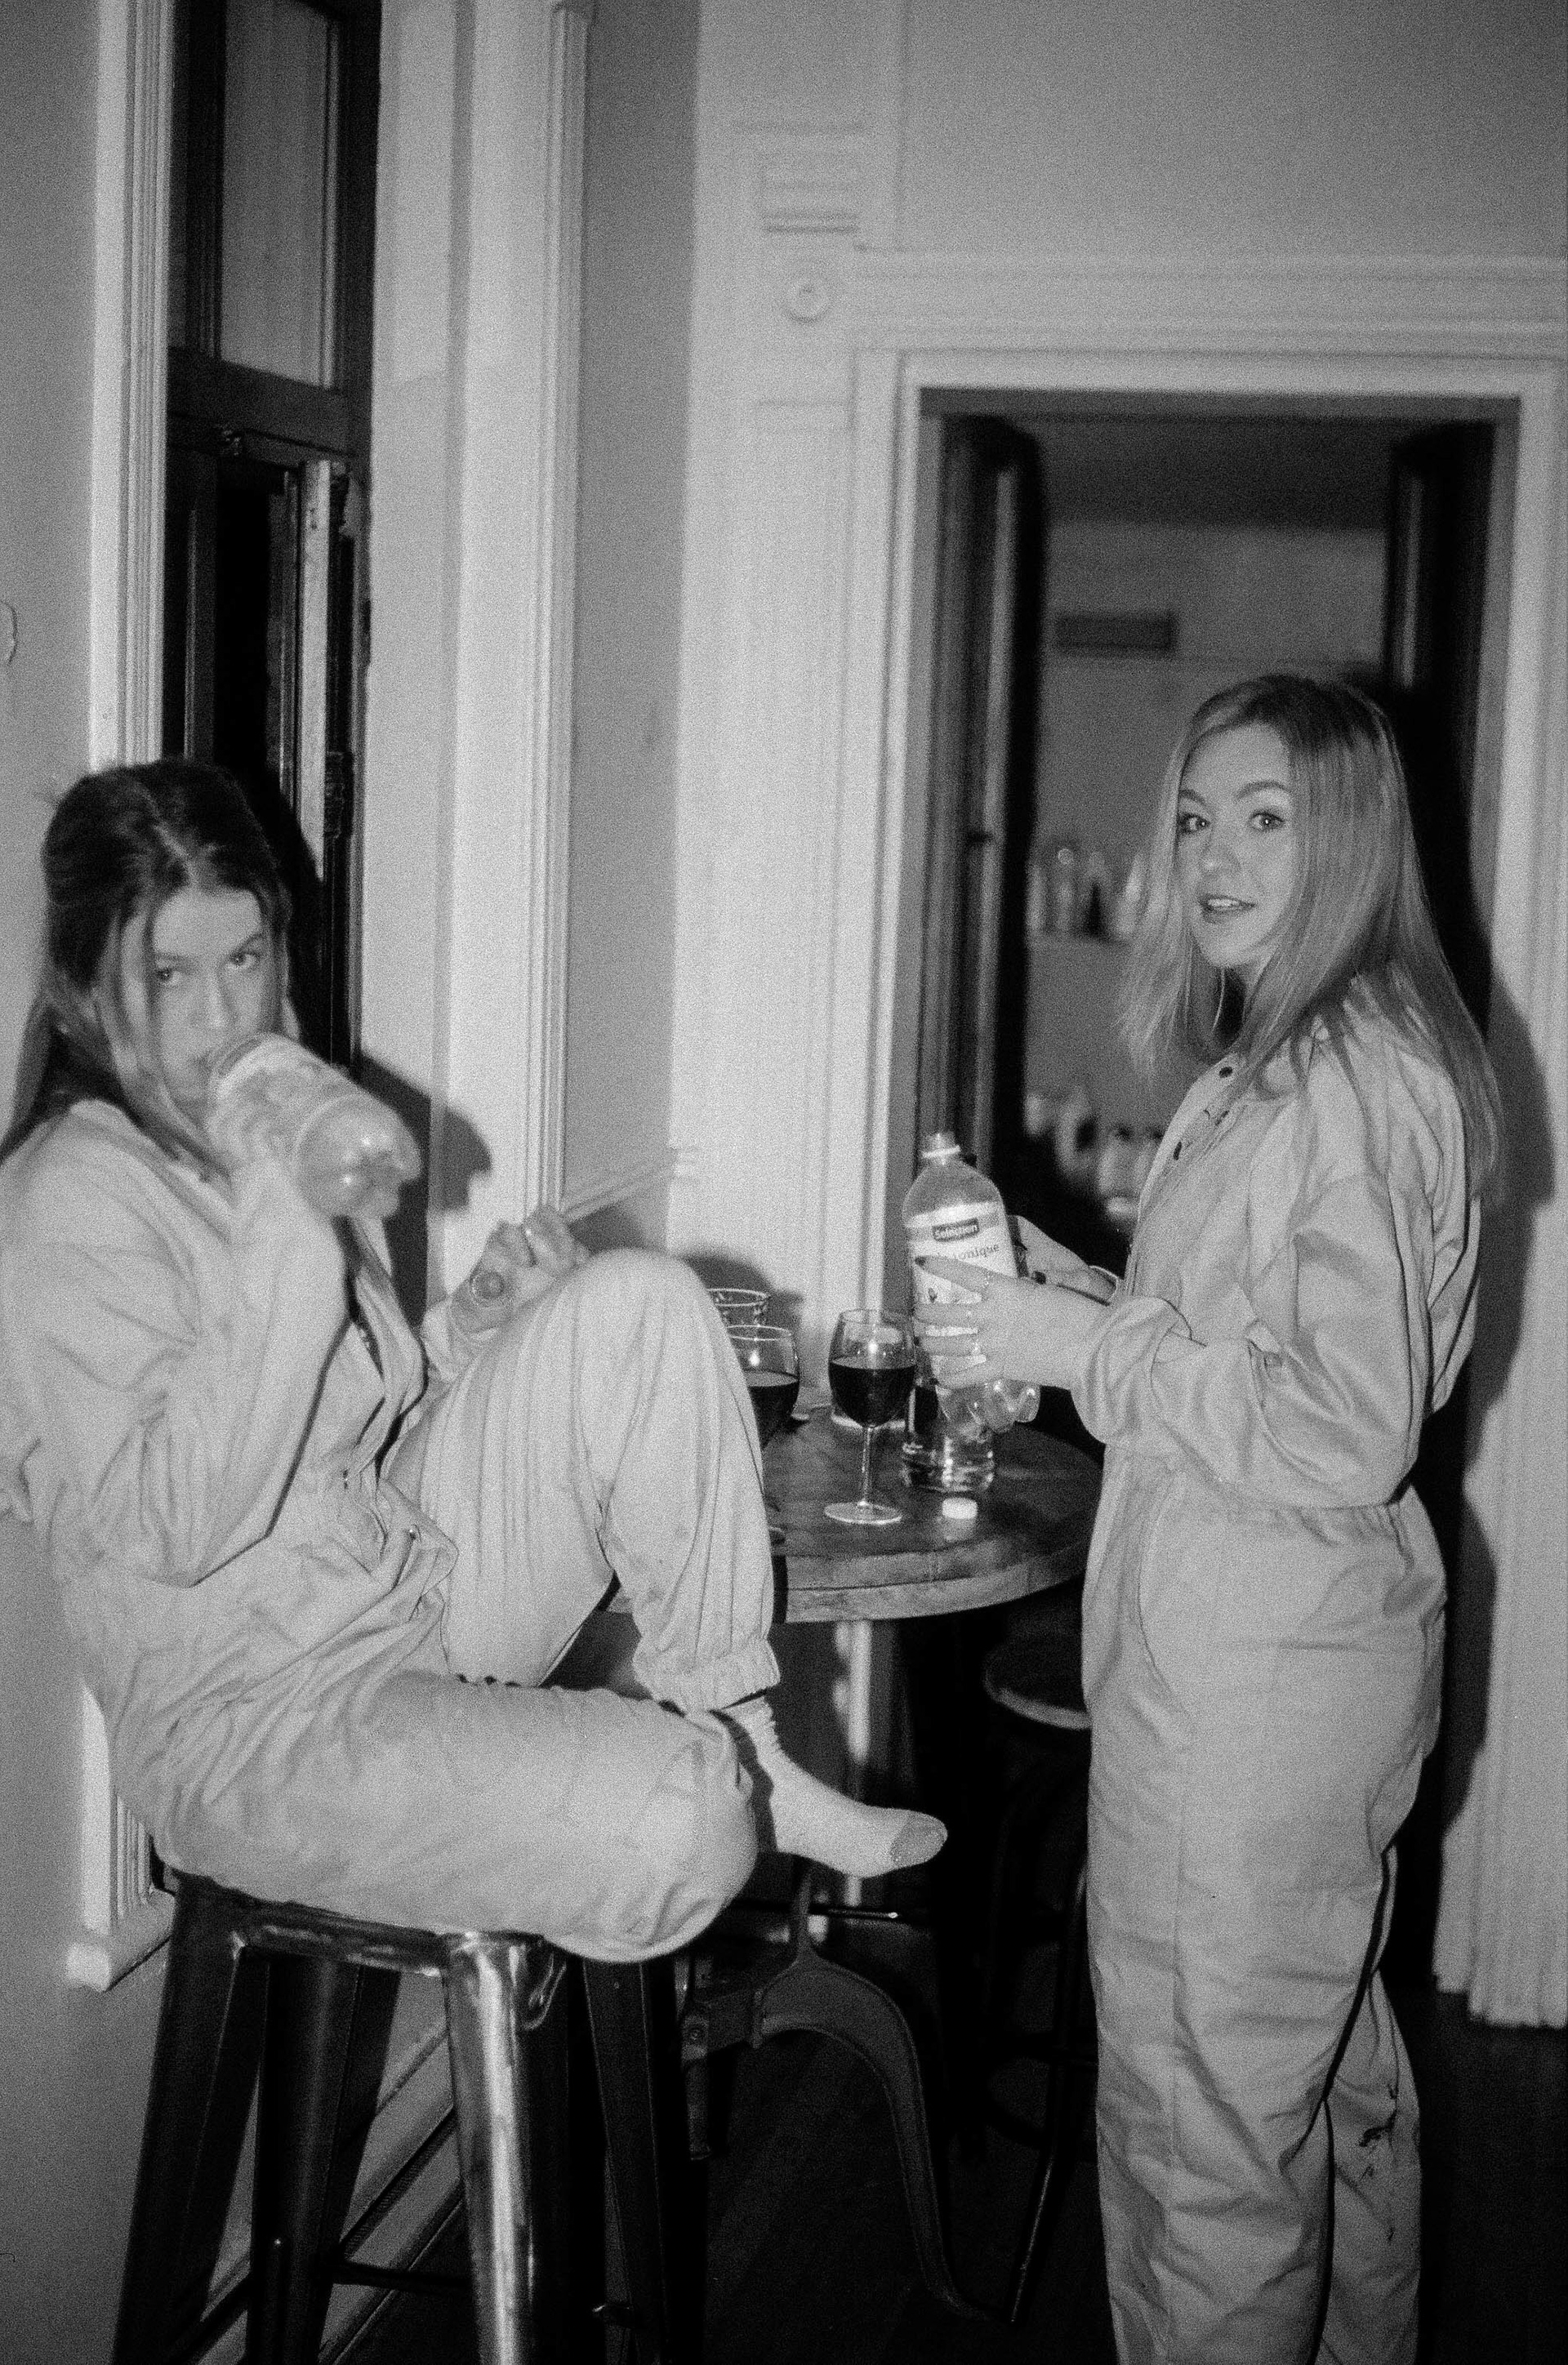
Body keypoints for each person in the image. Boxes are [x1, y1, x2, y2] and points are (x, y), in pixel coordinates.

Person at [0, 759, 942, 1965]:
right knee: (686, 1817)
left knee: (641, 1303)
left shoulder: (251, 1133)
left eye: (245, 958)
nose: (223, 1018)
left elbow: (343, 1428)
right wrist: (288, 1209)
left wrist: (471, 1330)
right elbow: (177, 1523)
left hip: (405, 1586)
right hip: (255, 1724)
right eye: (169, 975)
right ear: (89, 983)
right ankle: (719, 1786)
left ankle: (744, 1729)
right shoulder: (71, 1200)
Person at [915, 676, 1500, 2365]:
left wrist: (1078, 1348)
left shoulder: (1339, 1076)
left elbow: (1339, 1425)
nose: (1217, 855)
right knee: (1321, 2098)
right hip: (1298, 1656)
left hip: (1249, 1679)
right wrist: (1067, 1290)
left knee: (1205, 2149)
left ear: (1351, 840)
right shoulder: (1308, 1054)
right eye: (1196, 818)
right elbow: (1257, 1351)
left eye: (1266, 817)